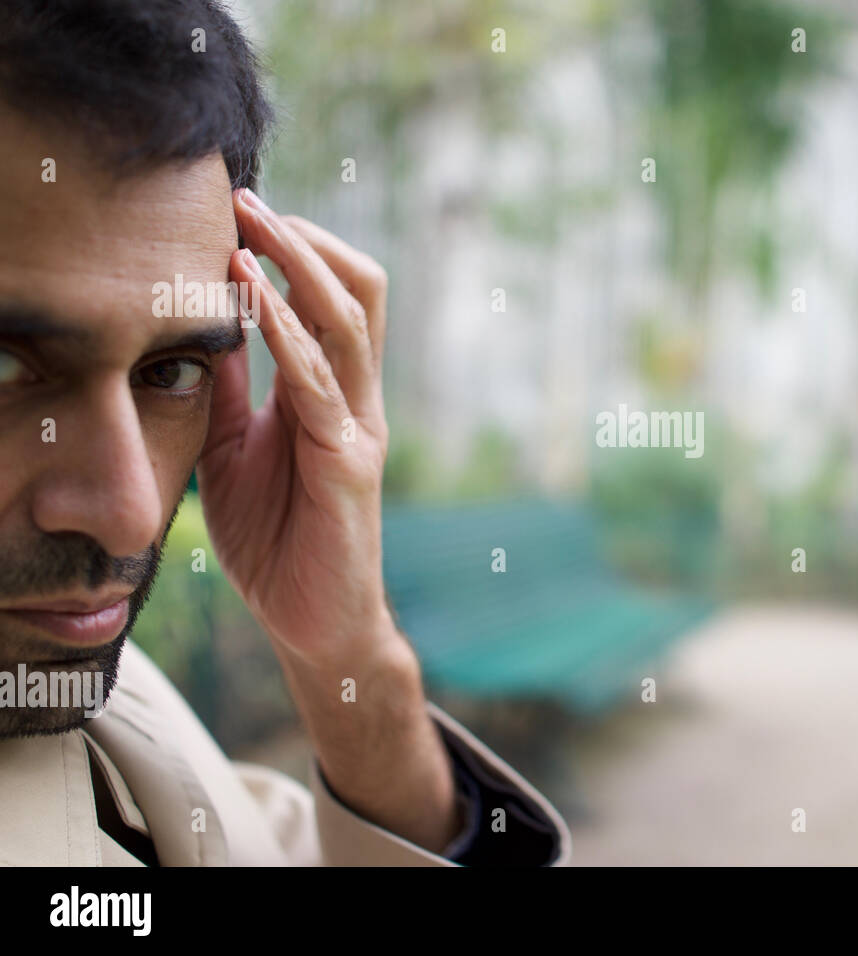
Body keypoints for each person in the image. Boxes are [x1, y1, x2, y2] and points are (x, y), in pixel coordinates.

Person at [0, 0, 569, 866]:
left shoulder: (127, 712)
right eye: (8, 367)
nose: (131, 512)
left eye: (172, 371)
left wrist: (349, 658)